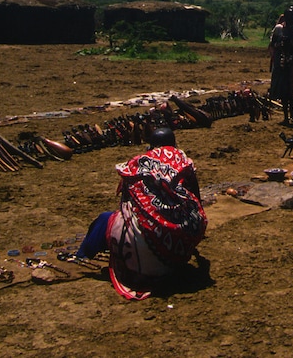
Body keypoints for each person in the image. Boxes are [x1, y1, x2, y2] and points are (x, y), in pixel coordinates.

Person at [72, 126, 207, 300]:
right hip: (178, 247)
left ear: (150, 146)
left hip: (146, 251)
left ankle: (82, 256)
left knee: (106, 220)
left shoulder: (137, 164)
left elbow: (126, 203)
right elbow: (197, 200)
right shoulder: (183, 161)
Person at [269, 6, 293, 124]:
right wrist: (280, 45)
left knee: (291, 88)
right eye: (289, 17)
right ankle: (286, 115)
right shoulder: (278, 29)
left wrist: (292, 45)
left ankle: (291, 110)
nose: (291, 20)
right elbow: (272, 44)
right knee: (282, 89)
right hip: (281, 62)